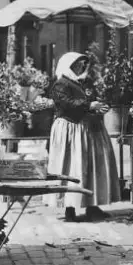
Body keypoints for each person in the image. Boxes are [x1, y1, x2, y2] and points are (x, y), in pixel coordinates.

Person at [46, 52, 121, 222]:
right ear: (68, 66)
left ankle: (92, 206)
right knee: (72, 167)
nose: (81, 68)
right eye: (77, 65)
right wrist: (89, 105)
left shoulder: (85, 83)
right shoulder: (60, 84)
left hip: (88, 130)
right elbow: (65, 103)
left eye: (82, 65)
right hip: (70, 130)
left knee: (91, 167)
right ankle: (69, 208)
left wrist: (99, 106)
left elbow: (92, 100)